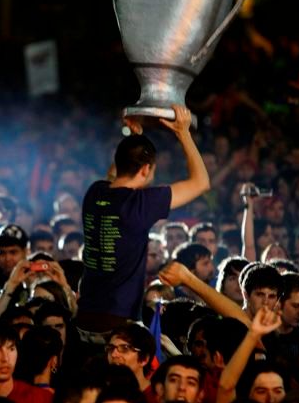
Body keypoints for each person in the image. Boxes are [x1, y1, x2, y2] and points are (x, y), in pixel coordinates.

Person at [76, 105, 210, 344]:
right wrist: (183, 132)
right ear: (147, 169)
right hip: (117, 324)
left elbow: (113, 176)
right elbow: (201, 182)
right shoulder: (141, 203)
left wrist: (135, 137)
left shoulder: (94, 193)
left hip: (84, 317)